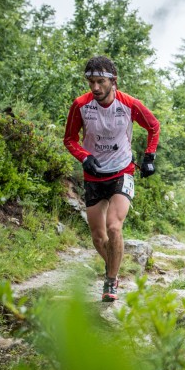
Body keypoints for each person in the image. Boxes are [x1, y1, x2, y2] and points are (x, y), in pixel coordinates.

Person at [64, 55, 160, 302]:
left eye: (100, 82)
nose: (95, 87)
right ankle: (115, 266)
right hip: (93, 174)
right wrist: (84, 157)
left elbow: (153, 125)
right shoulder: (81, 105)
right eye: (91, 82)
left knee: (114, 226)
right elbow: (70, 139)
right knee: (98, 237)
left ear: (113, 81)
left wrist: (149, 156)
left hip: (121, 171)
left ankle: (110, 282)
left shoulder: (129, 104)